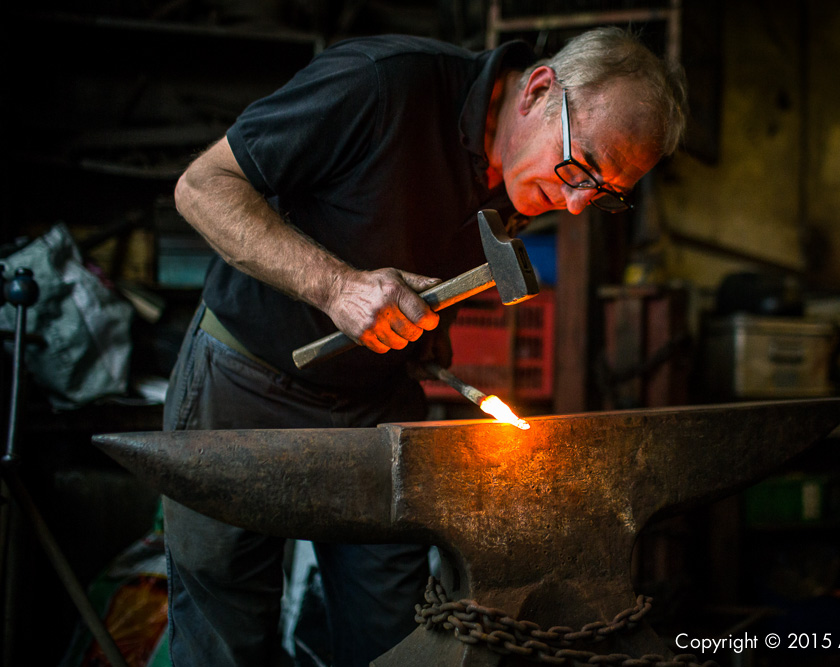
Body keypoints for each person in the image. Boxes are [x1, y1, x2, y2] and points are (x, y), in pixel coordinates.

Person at [165, 25, 686, 667]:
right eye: (582, 169)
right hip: (244, 383)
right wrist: (336, 287)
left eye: (605, 195)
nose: (577, 205)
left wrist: (424, 338)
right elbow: (201, 187)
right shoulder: (383, 86)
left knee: (400, 639)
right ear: (540, 89)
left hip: (376, 409)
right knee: (225, 639)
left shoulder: (522, 173)